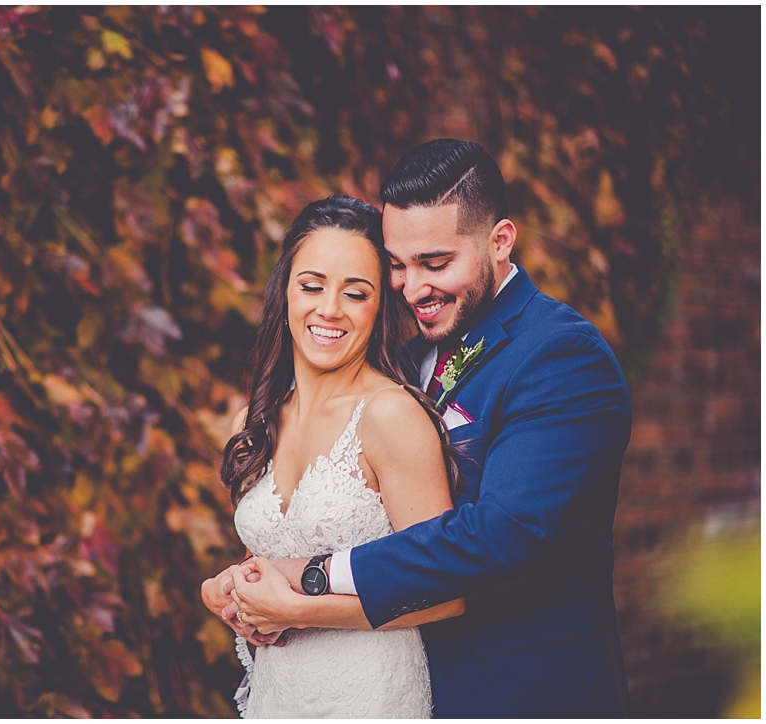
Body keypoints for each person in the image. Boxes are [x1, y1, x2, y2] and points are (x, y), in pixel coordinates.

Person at [205, 139, 633, 718]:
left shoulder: (559, 355)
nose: (412, 288)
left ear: (500, 241)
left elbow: (504, 531)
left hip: (523, 687)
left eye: (436, 264)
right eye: (399, 266)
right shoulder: (403, 361)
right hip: (398, 675)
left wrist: (312, 578)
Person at [210, 194, 466, 717]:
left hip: (368, 692)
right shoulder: (254, 424)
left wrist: (299, 611)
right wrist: (230, 588)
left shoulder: (389, 417)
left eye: (356, 293)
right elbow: (278, 558)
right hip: (279, 695)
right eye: (311, 286)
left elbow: (446, 593)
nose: (329, 309)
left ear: (380, 307)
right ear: (285, 290)